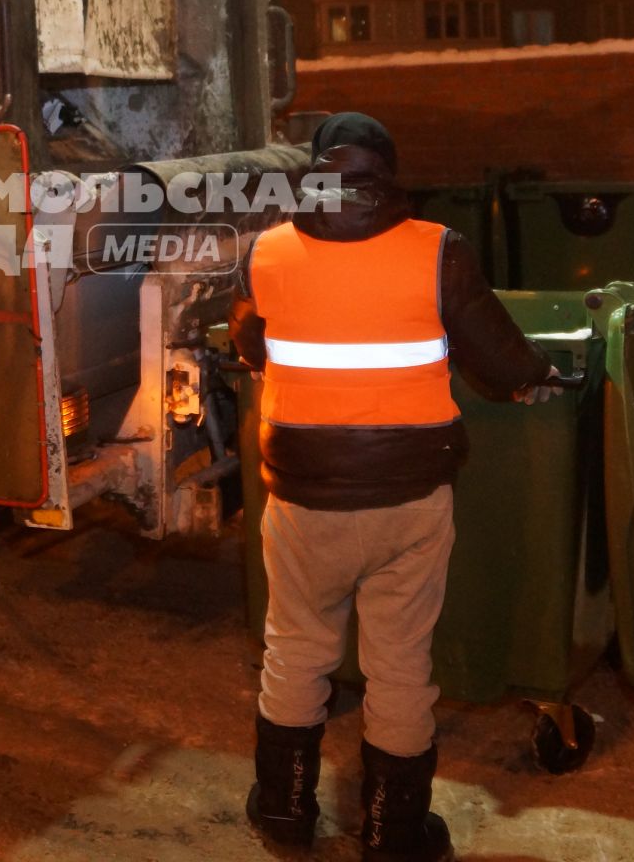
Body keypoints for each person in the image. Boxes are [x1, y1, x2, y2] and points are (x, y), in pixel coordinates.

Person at [231, 113, 556, 860]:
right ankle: (393, 831)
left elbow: (248, 343)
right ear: (388, 173)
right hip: (410, 500)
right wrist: (536, 379)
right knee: (402, 665)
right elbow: (499, 357)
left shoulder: (267, 251)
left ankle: (283, 813)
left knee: (296, 649)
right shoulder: (438, 249)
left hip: (303, 498)